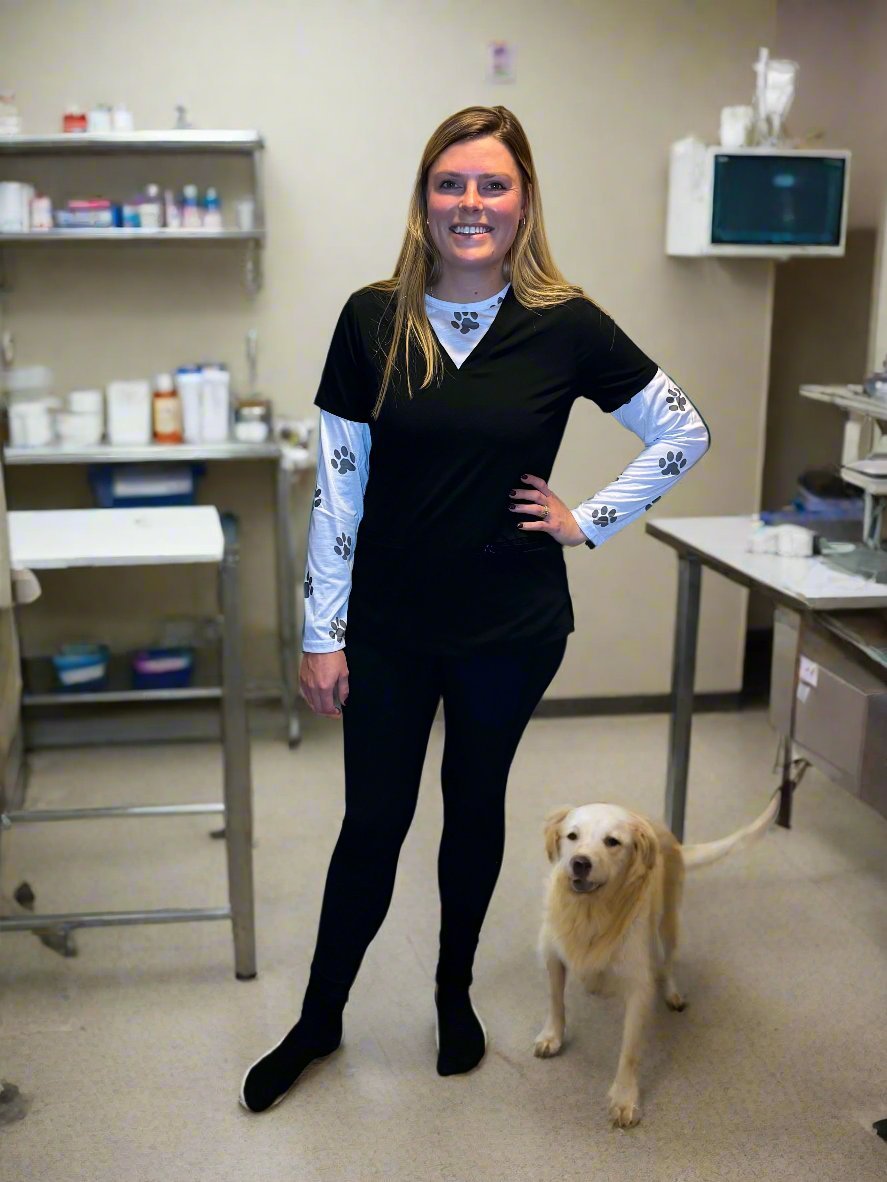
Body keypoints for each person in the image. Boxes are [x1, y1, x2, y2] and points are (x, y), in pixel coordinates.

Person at [239, 105, 710, 1113]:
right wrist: (322, 632)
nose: (470, 203)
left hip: (510, 623)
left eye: (492, 185)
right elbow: (338, 490)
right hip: (388, 625)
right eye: (449, 183)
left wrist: (588, 519)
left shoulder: (564, 322)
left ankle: (452, 995)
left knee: (473, 804)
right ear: (424, 200)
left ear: (523, 202)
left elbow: (681, 431)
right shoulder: (372, 319)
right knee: (373, 821)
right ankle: (318, 1020)